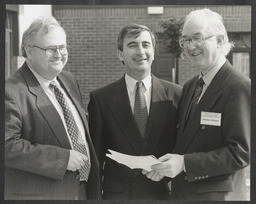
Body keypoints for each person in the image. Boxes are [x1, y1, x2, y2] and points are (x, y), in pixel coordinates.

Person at [143, 8, 250, 201]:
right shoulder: (191, 85)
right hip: (184, 194)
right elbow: (187, 141)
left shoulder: (239, 86)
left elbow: (240, 153)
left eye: (198, 38)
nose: (190, 46)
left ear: (219, 41)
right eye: (185, 40)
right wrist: (165, 166)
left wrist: (184, 163)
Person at [5, 16, 101, 200]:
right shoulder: (11, 90)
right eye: (50, 49)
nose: (59, 54)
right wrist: (61, 159)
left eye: (62, 47)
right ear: (29, 51)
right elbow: (7, 146)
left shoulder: (69, 80)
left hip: (82, 191)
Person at [88, 24, 182, 199]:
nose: (140, 52)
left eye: (146, 45)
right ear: (120, 55)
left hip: (161, 194)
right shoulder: (100, 99)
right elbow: (96, 158)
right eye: (132, 45)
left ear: (153, 52)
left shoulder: (177, 95)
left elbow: (182, 149)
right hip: (118, 196)